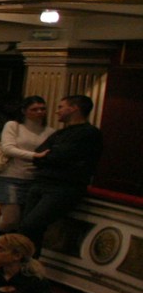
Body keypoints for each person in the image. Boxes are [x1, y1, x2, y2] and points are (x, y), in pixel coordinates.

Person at [16, 94, 103, 247]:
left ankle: (29, 266)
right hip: (40, 183)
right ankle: (27, 267)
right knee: (27, 230)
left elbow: (59, 157)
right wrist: (47, 156)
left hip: (62, 188)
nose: (57, 111)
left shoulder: (89, 133)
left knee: (30, 225)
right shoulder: (60, 133)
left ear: (74, 108)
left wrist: (49, 156)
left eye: (61, 107)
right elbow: (38, 154)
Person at [0, 94, 51, 237]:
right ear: (24, 111)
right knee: (10, 219)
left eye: (42, 109)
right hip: (11, 176)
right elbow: (8, 148)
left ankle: (8, 247)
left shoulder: (50, 132)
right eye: (34, 109)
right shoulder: (13, 126)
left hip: (34, 179)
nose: (39, 112)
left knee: (25, 222)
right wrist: (34, 156)